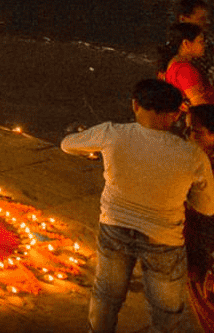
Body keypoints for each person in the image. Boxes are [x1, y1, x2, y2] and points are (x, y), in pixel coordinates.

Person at [62, 79, 214, 333]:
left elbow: (68, 144)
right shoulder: (192, 155)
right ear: (176, 115)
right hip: (164, 238)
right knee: (165, 309)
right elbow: (207, 206)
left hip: (115, 227)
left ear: (135, 105)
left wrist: (97, 153)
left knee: (106, 295)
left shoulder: (112, 134)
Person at [187, 103, 214, 331]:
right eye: (186, 129)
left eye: (195, 131)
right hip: (195, 245)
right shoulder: (198, 159)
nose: (189, 136)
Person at [158, 22, 214, 108]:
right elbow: (201, 108)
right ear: (186, 43)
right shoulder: (185, 70)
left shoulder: (173, 64)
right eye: (200, 42)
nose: (204, 45)